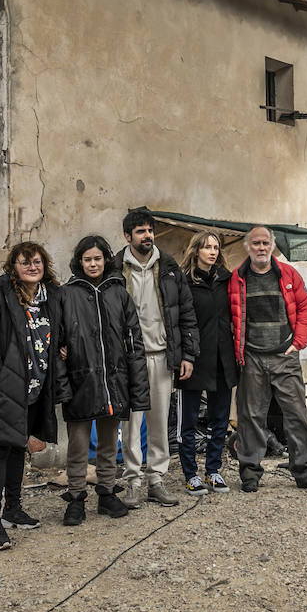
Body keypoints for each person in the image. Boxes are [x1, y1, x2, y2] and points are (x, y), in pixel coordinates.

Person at [0, 242, 65, 551]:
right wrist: (2, 377)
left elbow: (53, 336)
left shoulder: (49, 299)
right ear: (13, 266)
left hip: (33, 387)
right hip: (2, 388)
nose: (32, 267)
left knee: (16, 448)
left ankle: (13, 509)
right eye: (25, 262)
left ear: (44, 265)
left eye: (37, 261)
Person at [228, 227, 307, 493]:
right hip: (252, 357)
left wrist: (298, 341)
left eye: (265, 243)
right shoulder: (237, 278)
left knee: (296, 414)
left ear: (272, 246)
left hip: (284, 356)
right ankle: (250, 473)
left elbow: (306, 306)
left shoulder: (288, 274)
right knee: (251, 417)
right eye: (255, 243)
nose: (260, 248)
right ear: (247, 247)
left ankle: (306, 472)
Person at [58, 235, 149, 525]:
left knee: (110, 442)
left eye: (97, 258)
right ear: (79, 262)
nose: (93, 264)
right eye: (87, 259)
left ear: (105, 259)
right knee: (78, 444)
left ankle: (107, 493)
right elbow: (57, 343)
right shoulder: (66, 294)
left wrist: (137, 385)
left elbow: (133, 339)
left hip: (114, 380)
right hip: (80, 381)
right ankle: (75, 498)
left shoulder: (119, 293)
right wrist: (62, 383)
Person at [113, 208, 198, 508]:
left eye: (150, 230)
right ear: (128, 236)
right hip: (129, 360)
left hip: (162, 357)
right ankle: (133, 482)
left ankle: (156, 480)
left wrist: (188, 354)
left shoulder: (170, 267)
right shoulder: (114, 269)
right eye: (140, 231)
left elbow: (186, 312)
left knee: (160, 421)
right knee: (132, 425)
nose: (147, 235)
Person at [176, 230, 237, 495]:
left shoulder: (227, 279)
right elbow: (178, 321)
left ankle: (213, 471)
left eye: (215, 247)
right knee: (188, 421)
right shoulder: (183, 282)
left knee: (219, 419)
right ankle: (191, 474)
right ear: (195, 250)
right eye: (206, 247)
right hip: (194, 359)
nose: (212, 251)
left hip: (223, 358)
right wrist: (181, 356)